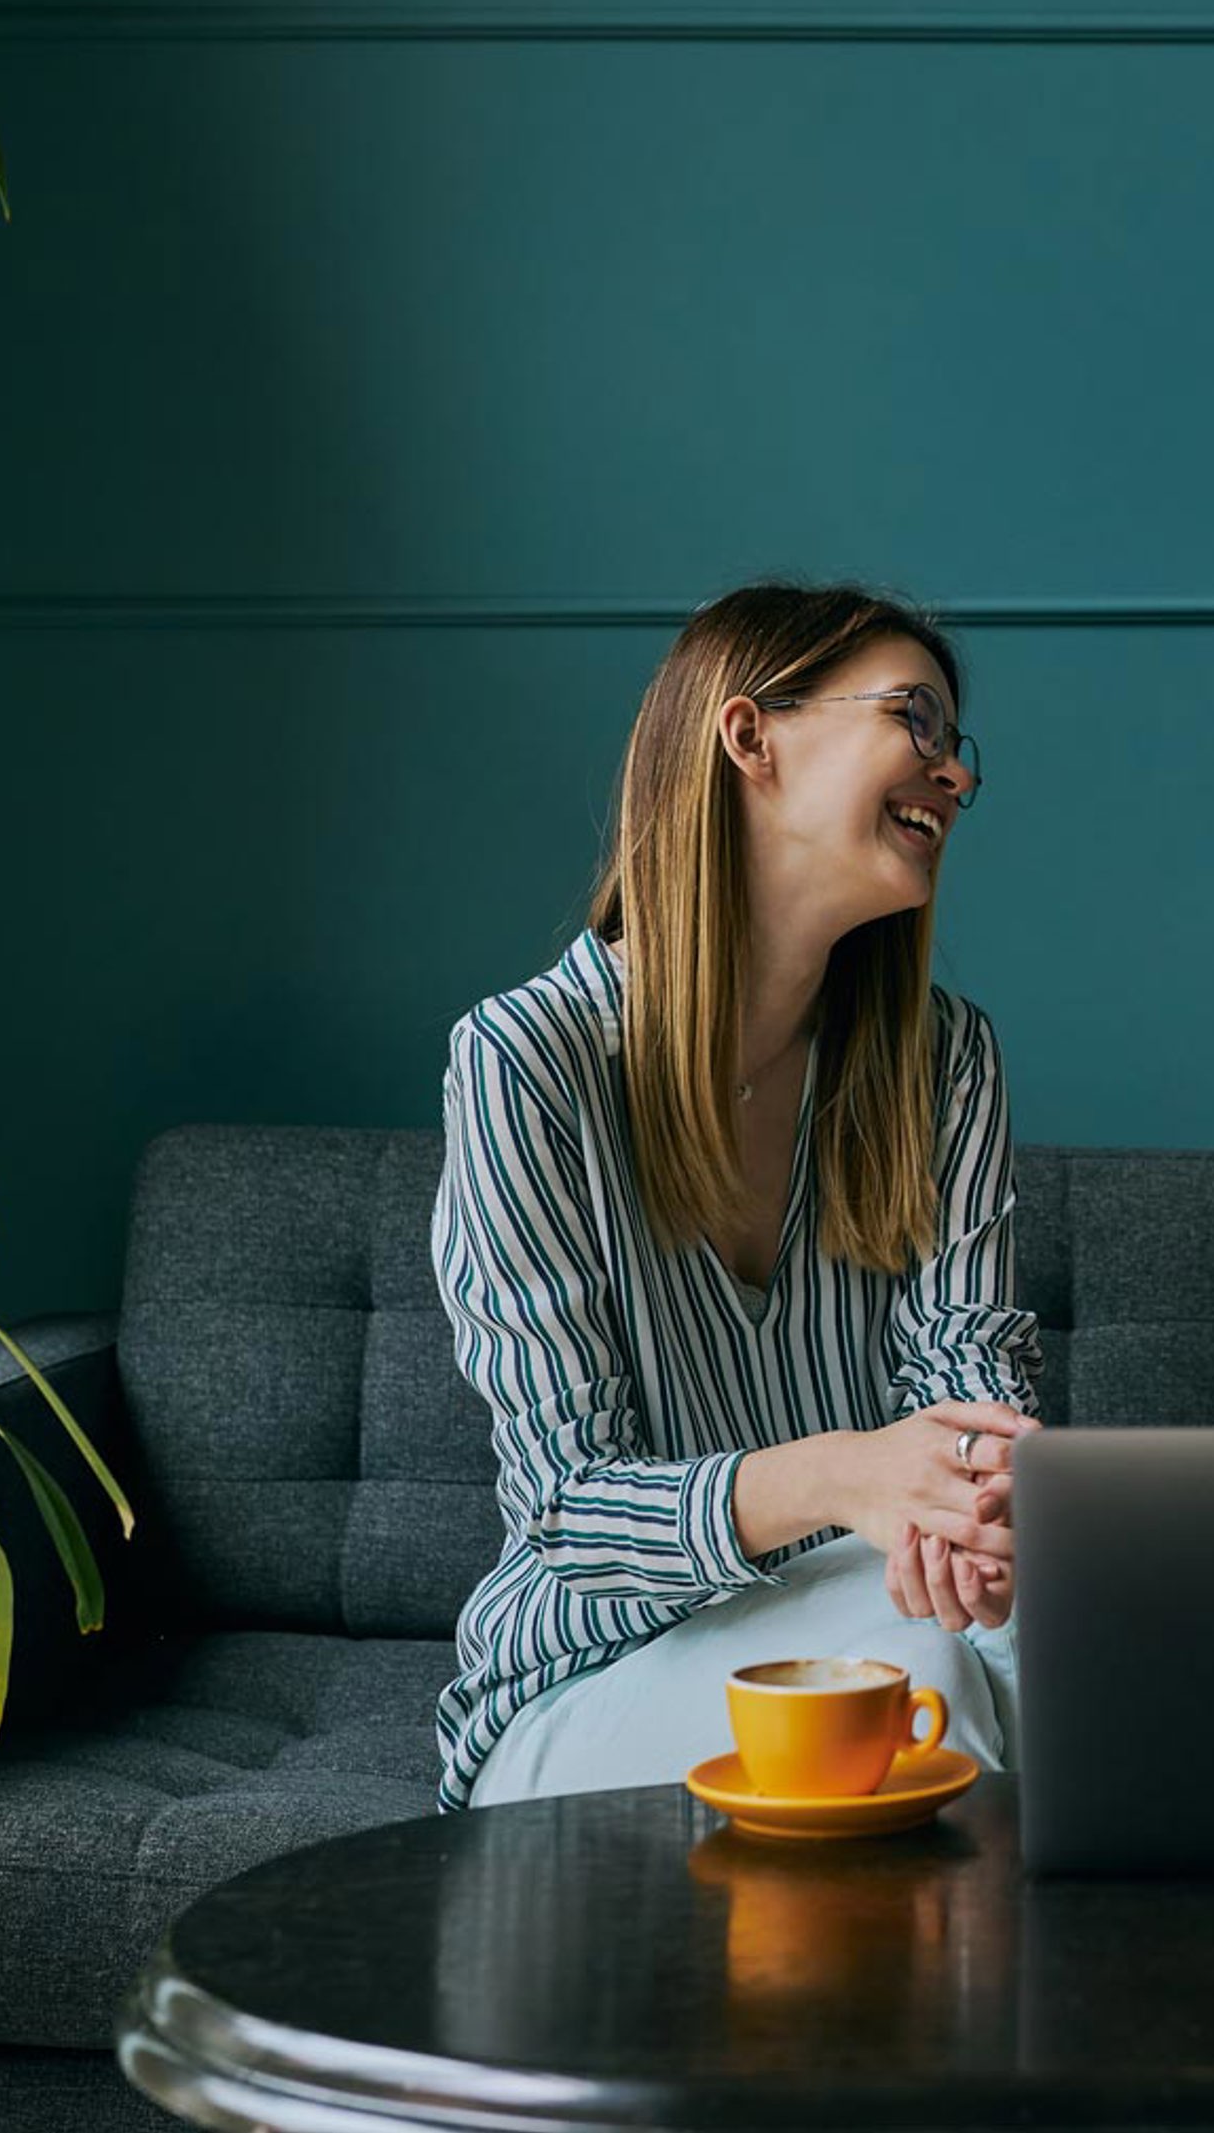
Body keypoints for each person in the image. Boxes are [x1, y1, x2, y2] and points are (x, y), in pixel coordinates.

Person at [434, 583, 1040, 1810]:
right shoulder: (524, 1059)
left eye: (956, 744)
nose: (954, 776)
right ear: (749, 735)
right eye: (913, 721)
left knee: (1068, 1652)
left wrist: (983, 1516)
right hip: (590, 1673)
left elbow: (968, 1404)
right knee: (915, 1682)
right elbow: (565, 1507)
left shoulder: (945, 1062)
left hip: (888, 1619)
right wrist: (850, 1477)